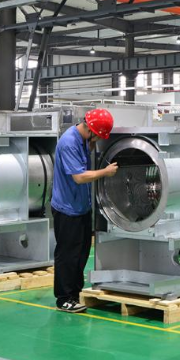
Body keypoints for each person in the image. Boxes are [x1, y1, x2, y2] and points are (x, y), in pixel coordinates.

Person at [51, 108, 119, 313]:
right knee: (67, 254)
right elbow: (79, 177)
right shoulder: (69, 142)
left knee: (81, 253)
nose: (98, 140)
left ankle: (74, 294)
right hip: (67, 209)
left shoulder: (84, 140)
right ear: (91, 130)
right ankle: (64, 298)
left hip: (81, 207)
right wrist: (106, 172)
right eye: (98, 136)